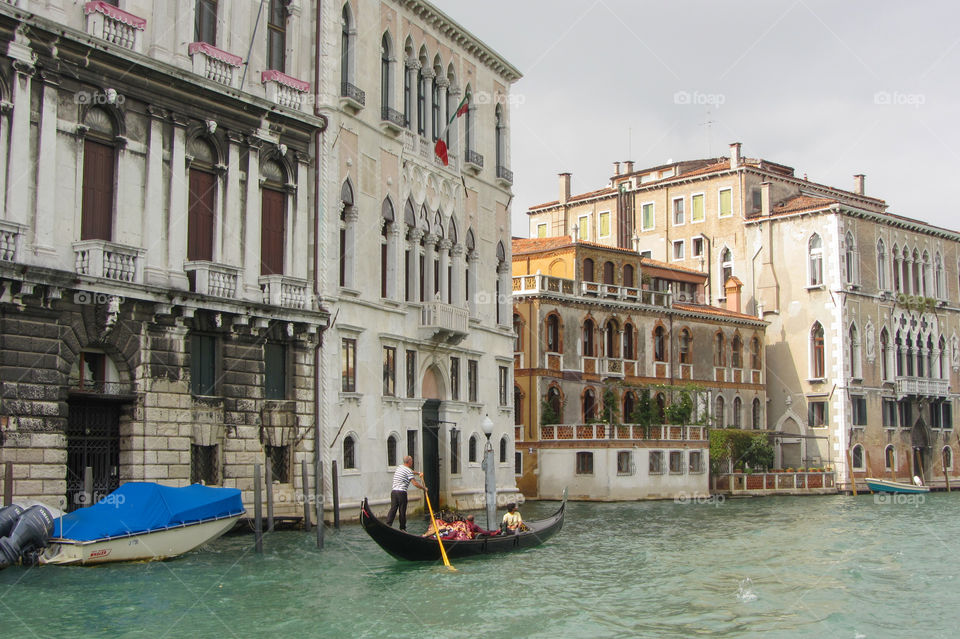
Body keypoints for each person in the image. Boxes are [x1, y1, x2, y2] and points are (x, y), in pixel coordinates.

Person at [385, 456, 425, 531]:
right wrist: (424, 488)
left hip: (394, 492)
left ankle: (388, 525)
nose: (412, 462)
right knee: (402, 511)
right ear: (409, 462)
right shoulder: (408, 471)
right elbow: (415, 483)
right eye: (411, 461)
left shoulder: (399, 467)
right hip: (401, 493)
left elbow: (411, 472)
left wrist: (418, 473)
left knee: (393, 509)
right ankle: (402, 528)